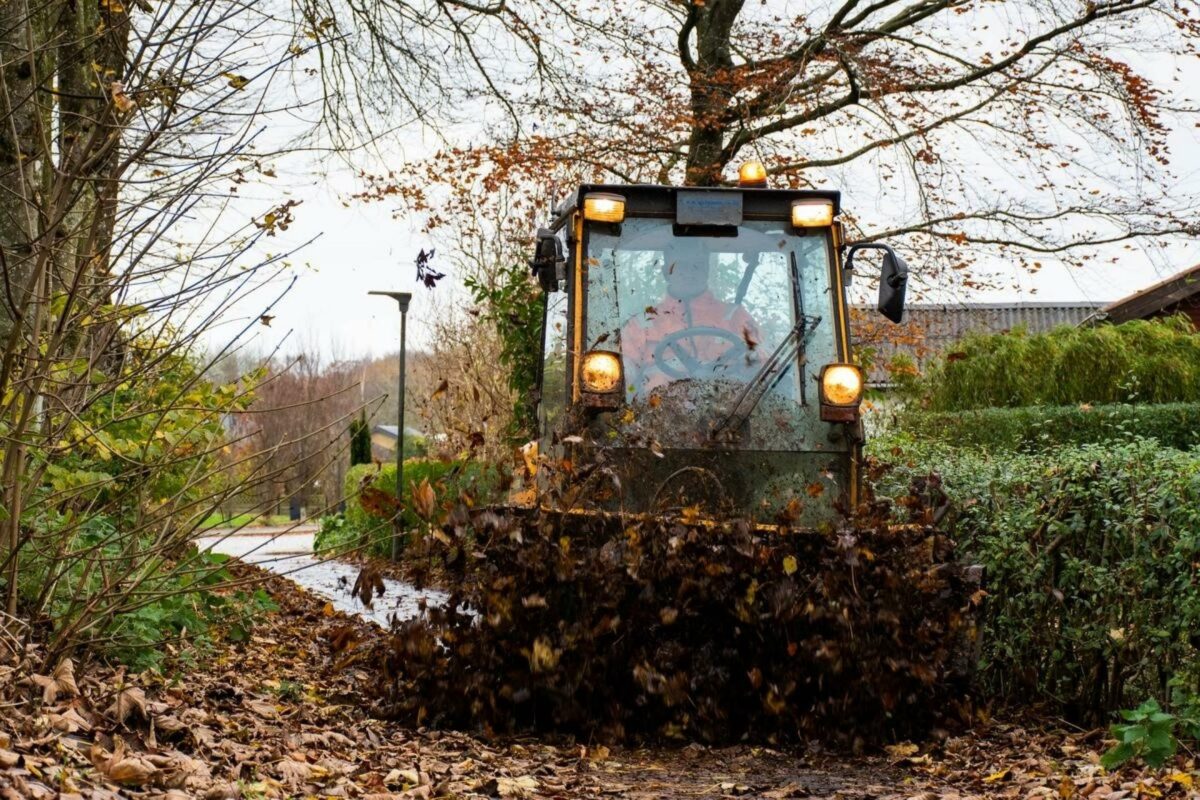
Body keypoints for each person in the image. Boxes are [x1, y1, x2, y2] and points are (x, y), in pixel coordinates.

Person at [620, 240, 761, 393]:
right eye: (681, 266)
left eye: (697, 266)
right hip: (657, 407)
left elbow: (761, 361)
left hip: (728, 406)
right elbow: (624, 370)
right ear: (666, 272)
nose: (689, 273)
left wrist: (750, 362)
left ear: (706, 270)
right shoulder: (643, 323)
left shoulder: (734, 316)